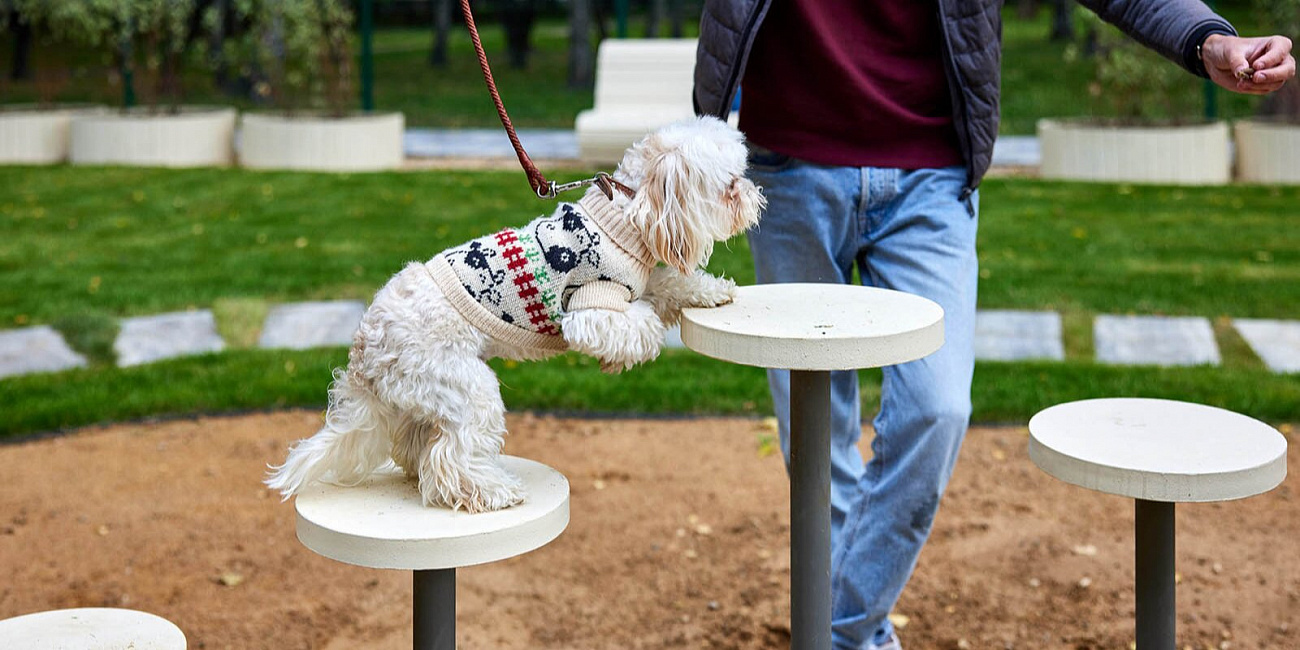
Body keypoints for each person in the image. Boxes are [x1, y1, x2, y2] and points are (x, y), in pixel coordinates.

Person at [691, 2, 1295, 649]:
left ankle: (840, 628)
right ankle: (855, 635)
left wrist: (1207, 41)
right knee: (815, 433)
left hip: (931, 174)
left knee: (938, 408)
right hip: (788, 169)